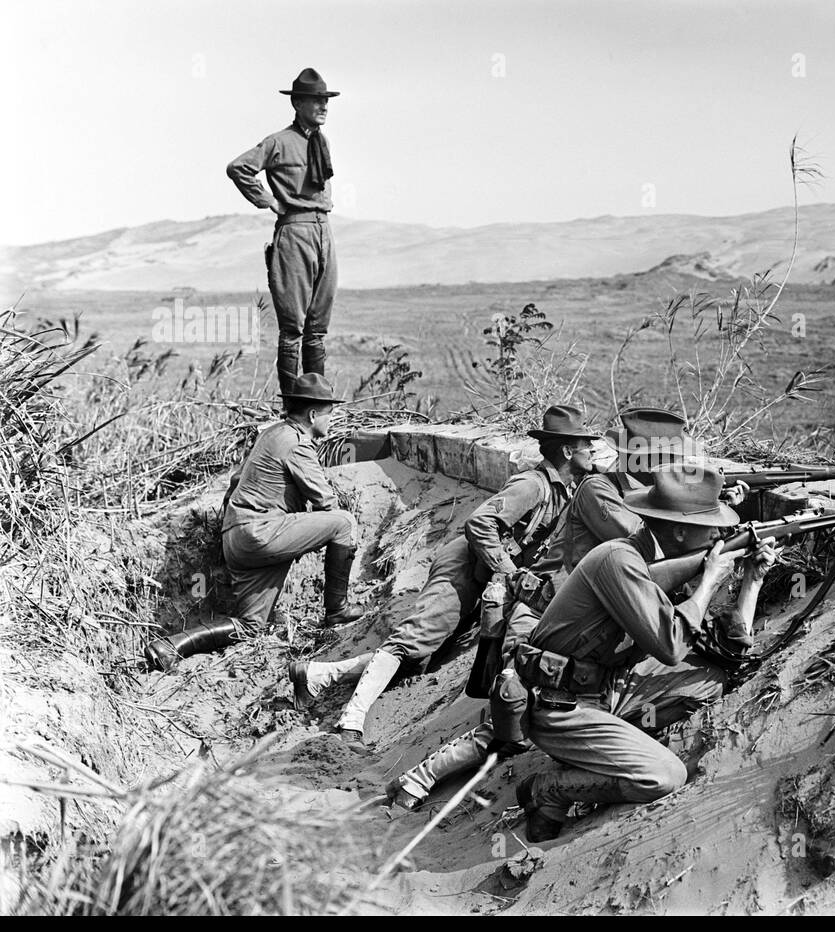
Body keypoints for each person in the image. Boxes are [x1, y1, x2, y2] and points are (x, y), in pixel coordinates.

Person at [384, 410, 749, 809]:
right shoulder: (601, 490)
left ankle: (592, 753)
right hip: (539, 613)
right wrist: (708, 552)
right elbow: (643, 551)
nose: (677, 468)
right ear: (645, 461)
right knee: (512, 721)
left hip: (594, 633)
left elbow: (659, 559)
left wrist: (710, 513)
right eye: (670, 461)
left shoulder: (651, 506)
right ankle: (423, 777)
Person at [287, 404, 601, 746]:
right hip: (464, 565)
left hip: (484, 574)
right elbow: (480, 523)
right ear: (568, 451)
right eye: (587, 445)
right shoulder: (532, 484)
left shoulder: (565, 489)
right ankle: (350, 722)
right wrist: (510, 572)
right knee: (413, 639)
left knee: (423, 658)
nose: (593, 451)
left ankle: (317, 675)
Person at [513, 461, 777, 841]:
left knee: (711, 679)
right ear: (682, 531)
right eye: (711, 526)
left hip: (605, 689)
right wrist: (709, 581)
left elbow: (725, 653)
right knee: (665, 776)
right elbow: (671, 646)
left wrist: (752, 580)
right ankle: (549, 788)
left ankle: (612, 748)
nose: (720, 533)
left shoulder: (652, 561)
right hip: (560, 705)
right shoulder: (618, 560)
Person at [143, 374, 360, 671]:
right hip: (260, 533)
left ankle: (170, 646)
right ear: (312, 414)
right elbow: (326, 503)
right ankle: (338, 611)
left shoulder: (270, 434)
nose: (331, 420)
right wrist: (335, 539)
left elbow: (235, 481)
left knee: (251, 627)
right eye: (329, 413)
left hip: (237, 539)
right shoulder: (297, 443)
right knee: (344, 522)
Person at [227, 68, 340, 398]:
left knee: (318, 329)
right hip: (295, 231)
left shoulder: (321, 141)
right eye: (317, 100)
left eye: (325, 100)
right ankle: (293, 407)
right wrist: (267, 201)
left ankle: (316, 404)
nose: (324, 106)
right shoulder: (278, 142)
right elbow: (239, 167)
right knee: (293, 327)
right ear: (298, 103)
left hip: (324, 230)